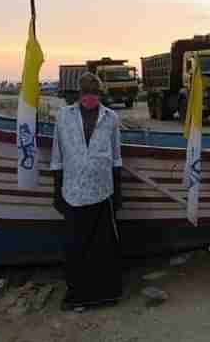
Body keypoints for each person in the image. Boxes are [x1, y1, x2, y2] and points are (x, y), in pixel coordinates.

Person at [51, 72, 123, 311]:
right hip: (73, 191)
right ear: (79, 94)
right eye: (86, 93)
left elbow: (115, 156)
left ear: (99, 94)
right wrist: (56, 191)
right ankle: (77, 296)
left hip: (103, 191)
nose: (90, 97)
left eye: (94, 93)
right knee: (75, 247)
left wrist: (118, 192)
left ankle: (105, 295)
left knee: (103, 247)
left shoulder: (111, 118)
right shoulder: (63, 117)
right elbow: (57, 155)